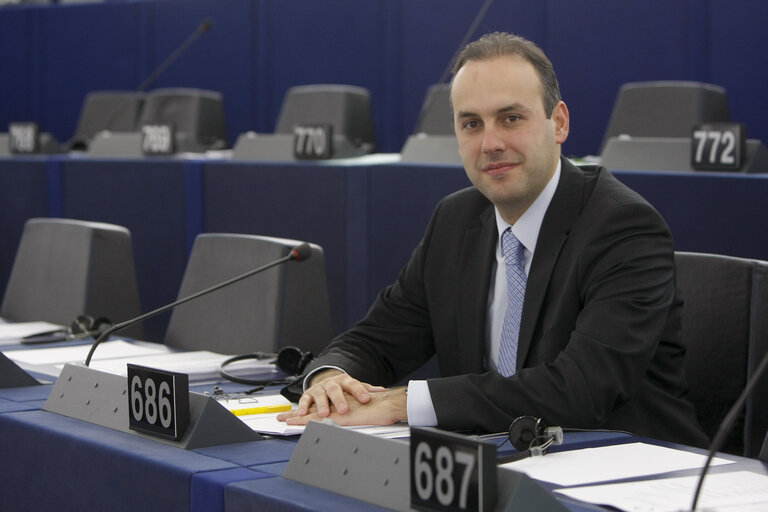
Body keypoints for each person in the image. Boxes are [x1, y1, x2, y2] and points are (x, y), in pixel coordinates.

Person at [278, 31, 708, 447]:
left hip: (632, 470)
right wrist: (331, 379)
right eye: (471, 124)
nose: (490, 143)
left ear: (558, 123)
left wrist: (403, 403)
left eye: (511, 118)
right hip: (498, 464)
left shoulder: (623, 227)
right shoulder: (456, 219)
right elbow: (378, 338)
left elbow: (581, 390)